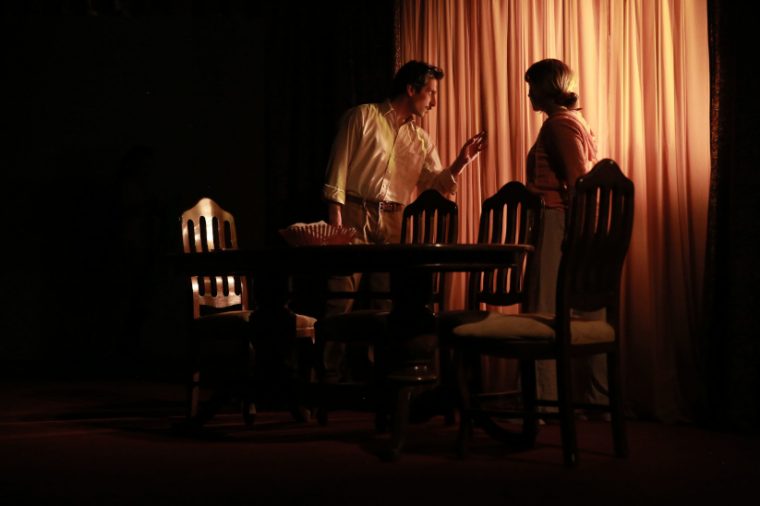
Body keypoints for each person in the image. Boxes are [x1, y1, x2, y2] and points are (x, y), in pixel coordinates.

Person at [322, 60, 487, 381]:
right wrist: (336, 222)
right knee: (340, 297)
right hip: (354, 213)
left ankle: (378, 377)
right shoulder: (362, 117)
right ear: (411, 90)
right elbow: (337, 171)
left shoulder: (421, 139)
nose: (434, 102)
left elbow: (434, 188)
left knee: (386, 301)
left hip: (394, 219)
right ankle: (328, 376)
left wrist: (460, 162)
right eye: (431, 93)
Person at [523, 58, 609, 417]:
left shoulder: (558, 125)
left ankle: (545, 402)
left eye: (532, 86)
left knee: (542, 312)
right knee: (586, 312)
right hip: (572, 223)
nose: (529, 94)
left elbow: (577, 182)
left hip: (557, 220)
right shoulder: (575, 122)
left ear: (547, 88)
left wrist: (576, 233)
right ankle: (596, 400)